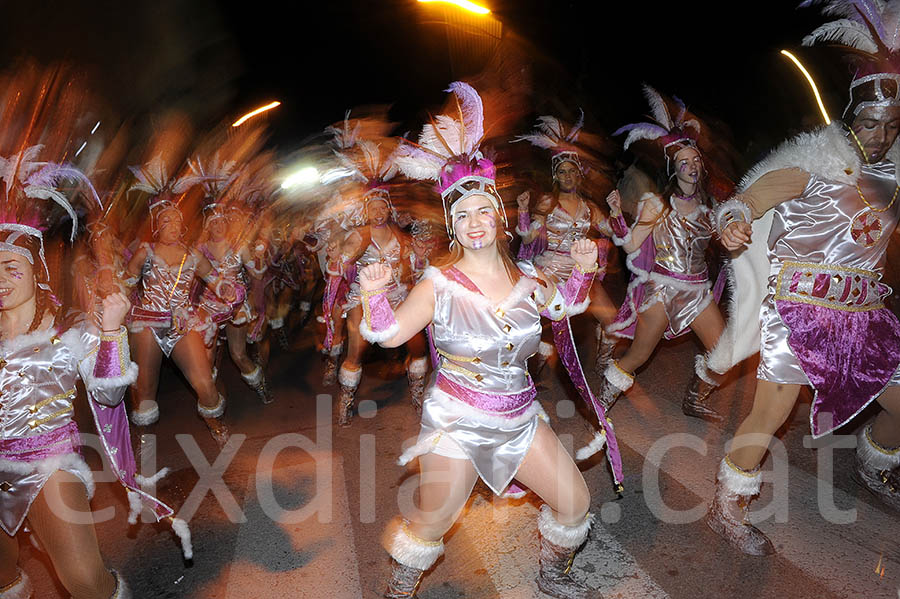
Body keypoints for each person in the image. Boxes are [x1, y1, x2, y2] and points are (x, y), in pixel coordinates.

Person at [367, 82, 618, 599]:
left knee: (575, 504)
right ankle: (399, 588)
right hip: (458, 419)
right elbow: (390, 335)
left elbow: (564, 305)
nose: (473, 222)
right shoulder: (437, 283)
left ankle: (551, 573)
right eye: (461, 215)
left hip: (521, 417)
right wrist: (373, 297)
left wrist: (584, 274)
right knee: (432, 525)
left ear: (499, 216)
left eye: (482, 210)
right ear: (453, 227)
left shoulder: (528, 275)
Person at [705, 1, 900, 555]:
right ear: (850, 116)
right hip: (798, 311)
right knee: (771, 410)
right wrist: (735, 221)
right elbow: (749, 197)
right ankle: (728, 505)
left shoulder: (895, 174)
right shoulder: (816, 160)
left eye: (891, 125)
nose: (880, 136)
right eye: (869, 123)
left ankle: (872, 460)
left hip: (864, 317)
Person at [0, 150, 186, 599]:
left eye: (10, 268)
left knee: (85, 582)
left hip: (47, 464)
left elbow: (107, 396)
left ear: (36, 270)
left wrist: (110, 333)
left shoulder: (69, 332)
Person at [599, 86, 729, 421]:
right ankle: (600, 404)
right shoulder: (657, 205)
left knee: (724, 353)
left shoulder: (710, 208)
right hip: (663, 289)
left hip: (698, 291)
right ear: (672, 168)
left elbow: (727, 241)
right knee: (639, 355)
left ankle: (695, 398)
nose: (691, 166)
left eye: (695, 160)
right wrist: (615, 215)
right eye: (683, 162)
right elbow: (629, 245)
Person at [125, 157, 230, 447]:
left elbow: (216, 280)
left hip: (182, 324)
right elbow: (127, 283)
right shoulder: (145, 252)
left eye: (176, 220)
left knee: (205, 383)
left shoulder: (192, 255)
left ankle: (214, 421)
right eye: (165, 221)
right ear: (156, 227)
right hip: (147, 323)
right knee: (146, 388)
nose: (172, 224)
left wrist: (227, 290)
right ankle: (144, 440)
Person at [328, 126, 429, 425]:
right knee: (356, 350)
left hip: (397, 296)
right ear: (366, 210)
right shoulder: (359, 237)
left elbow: (413, 272)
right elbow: (341, 266)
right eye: (372, 207)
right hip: (365, 296)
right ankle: (346, 398)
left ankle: (417, 393)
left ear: (389, 208)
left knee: (417, 345)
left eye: (382, 206)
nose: (377, 212)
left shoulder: (401, 235)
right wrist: (339, 257)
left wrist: (417, 260)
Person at [513, 112, 626, 375]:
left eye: (571, 171)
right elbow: (529, 237)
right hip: (551, 270)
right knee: (537, 326)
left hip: (582, 272)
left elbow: (616, 233)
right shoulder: (547, 203)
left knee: (613, 321)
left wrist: (617, 212)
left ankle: (602, 362)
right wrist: (522, 212)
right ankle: (531, 372)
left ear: (578, 176)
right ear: (555, 175)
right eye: (561, 171)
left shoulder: (590, 208)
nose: (567, 175)